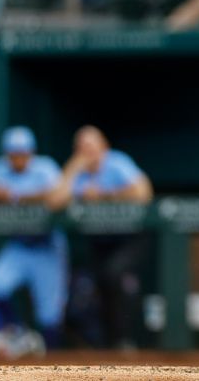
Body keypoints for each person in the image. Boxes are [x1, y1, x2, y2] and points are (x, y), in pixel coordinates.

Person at [48, 126, 152, 349]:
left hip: (129, 238)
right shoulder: (77, 171)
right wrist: (72, 168)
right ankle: (110, 346)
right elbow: (54, 202)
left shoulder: (116, 162)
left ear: (103, 147)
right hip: (100, 242)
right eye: (81, 147)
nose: (87, 152)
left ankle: (126, 341)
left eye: (91, 146)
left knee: (115, 276)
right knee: (97, 286)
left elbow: (144, 193)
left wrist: (104, 195)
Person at [0, 127, 66, 350]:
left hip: (47, 246)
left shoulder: (45, 167)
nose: (18, 159)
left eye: (23, 153)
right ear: (7, 154)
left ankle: (55, 363)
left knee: (49, 313)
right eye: (14, 154)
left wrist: (15, 195)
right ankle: (18, 331)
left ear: (31, 152)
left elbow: (58, 195)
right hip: (19, 246)